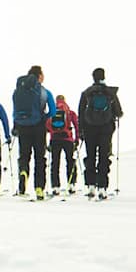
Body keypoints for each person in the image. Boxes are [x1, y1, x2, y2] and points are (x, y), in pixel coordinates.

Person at [11, 65, 57, 200]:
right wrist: (44, 117)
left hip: (22, 126)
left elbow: (14, 111)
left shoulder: (18, 90)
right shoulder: (44, 92)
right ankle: (39, 188)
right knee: (39, 158)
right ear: (39, 76)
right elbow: (53, 111)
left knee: (24, 155)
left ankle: (23, 174)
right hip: (38, 127)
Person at [78, 68, 124, 200]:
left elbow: (81, 113)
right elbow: (119, 112)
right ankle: (102, 188)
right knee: (104, 157)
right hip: (106, 129)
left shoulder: (86, 93)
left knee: (90, 156)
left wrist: (81, 130)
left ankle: (91, 186)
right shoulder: (110, 93)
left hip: (89, 129)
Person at [45, 94, 79, 196]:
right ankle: (71, 184)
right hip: (68, 139)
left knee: (55, 163)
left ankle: (55, 187)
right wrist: (77, 139)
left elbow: (46, 126)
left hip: (54, 139)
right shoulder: (69, 112)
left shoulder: (52, 112)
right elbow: (77, 125)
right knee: (70, 161)